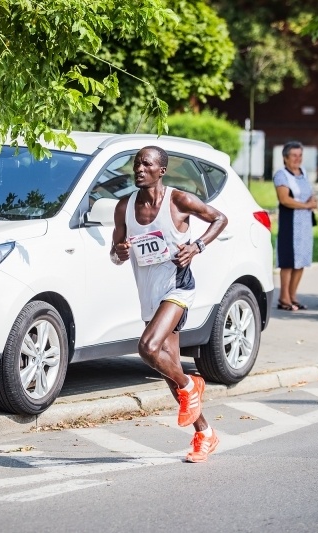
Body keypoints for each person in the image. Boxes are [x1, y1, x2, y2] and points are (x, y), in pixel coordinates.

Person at [111, 146, 228, 463]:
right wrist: (119, 253)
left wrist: (197, 246)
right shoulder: (124, 207)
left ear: (161, 170)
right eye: (136, 163)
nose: (139, 168)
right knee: (167, 368)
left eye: (146, 164)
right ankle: (205, 434)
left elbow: (220, 218)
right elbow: (115, 252)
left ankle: (192, 383)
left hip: (178, 288)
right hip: (150, 295)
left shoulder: (178, 201)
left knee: (148, 348)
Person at [273, 141, 318, 311]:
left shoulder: (303, 173)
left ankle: (293, 296)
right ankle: (284, 297)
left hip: (305, 224)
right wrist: (306, 206)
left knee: (301, 261)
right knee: (288, 261)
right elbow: (284, 199)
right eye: (294, 155)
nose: (297, 159)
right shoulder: (281, 175)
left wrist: (312, 201)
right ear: (285, 158)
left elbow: (309, 193)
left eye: (300, 155)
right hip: (290, 223)